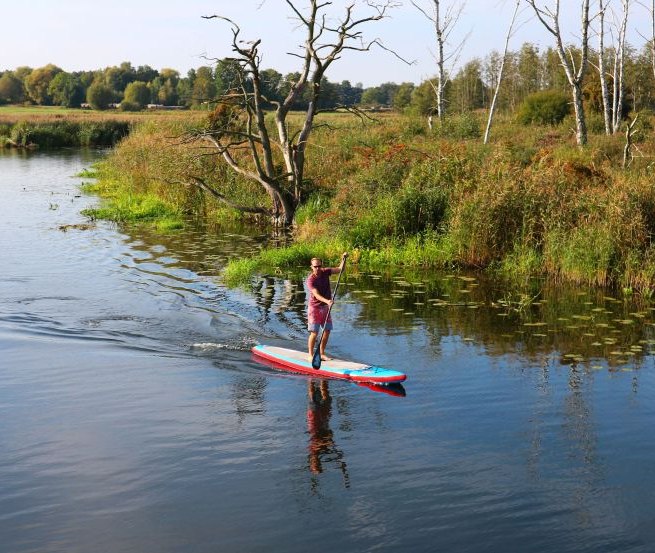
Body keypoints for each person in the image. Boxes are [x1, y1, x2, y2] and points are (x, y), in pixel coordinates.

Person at [306, 252, 348, 363]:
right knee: (314, 333)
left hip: (326, 307)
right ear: (312, 267)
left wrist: (344, 259)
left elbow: (340, 269)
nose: (318, 268)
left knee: (327, 330)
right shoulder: (311, 280)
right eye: (315, 266)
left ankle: (322, 353)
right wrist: (327, 301)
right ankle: (310, 355)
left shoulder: (325, 272)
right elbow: (316, 294)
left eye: (319, 266)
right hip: (315, 308)